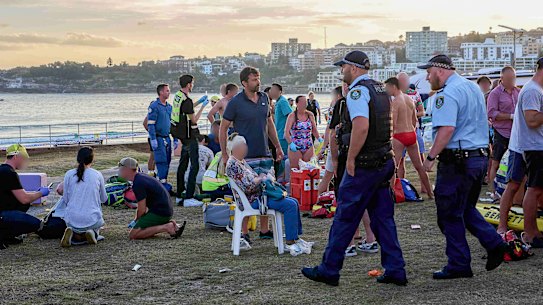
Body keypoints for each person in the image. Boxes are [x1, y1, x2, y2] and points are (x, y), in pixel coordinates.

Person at [302, 51, 407, 286]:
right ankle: (395, 269)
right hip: (382, 161)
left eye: (344, 67)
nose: (342, 72)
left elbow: (361, 127)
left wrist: (349, 159)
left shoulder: (358, 93)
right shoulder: (380, 90)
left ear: (354, 68)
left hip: (364, 165)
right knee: (383, 219)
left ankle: (329, 269)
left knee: (345, 218)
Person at [420, 55, 508, 279]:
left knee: (449, 212)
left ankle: (461, 261)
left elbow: (446, 129)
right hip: (477, 157)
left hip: (457, 159)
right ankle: (491, 244)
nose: (427, 77)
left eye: (429, 72)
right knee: (464, 208)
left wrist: (430, 157)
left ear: (440, 71)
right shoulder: (472, 87)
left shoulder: (446, 93)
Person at [219, 66, 284, 241]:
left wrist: (277, 146)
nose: (258, 82)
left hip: (265, 153)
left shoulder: (264, 98)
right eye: (254, 79)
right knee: (246, 193)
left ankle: (264, 230)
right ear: (244, 83)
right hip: (245, 156)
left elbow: (269, 123)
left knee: (267, 190)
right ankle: (244, 232)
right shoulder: (236, 102)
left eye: (259, 78)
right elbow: (223, 127)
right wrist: (225, 155)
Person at [225, 133, 313, 255]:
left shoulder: (240, 161)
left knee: (293, 201)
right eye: (243, 146)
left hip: (259, 196)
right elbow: (248, 187)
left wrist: (262, 177)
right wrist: (261, 179)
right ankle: (290, 241)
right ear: (236, 148)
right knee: (290, 205)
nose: (246, 148)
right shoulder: (233, 165)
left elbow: (251, 180)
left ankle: (296, 238)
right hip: (254, 200)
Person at [509, 57, 543, 247]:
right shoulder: (532, 91)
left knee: (538, 189)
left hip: (537, 145)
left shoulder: (536, 90)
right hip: (535, 147)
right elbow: (531, 119)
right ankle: (530, 233)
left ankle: (534, 230)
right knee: (534, 189)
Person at [385, 77, 434, 199]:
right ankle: (430, 193)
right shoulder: (409, 99)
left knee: (393, 167)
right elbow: (414, 120)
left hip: (399, 135)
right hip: (411, 134)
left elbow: (394, 123)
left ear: (393, 87)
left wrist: (389, 136)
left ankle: (389, 195)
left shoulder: (396, 102)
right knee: (419, 166)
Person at [118, 157, 185, 240]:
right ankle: (169, 224)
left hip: (160, 213)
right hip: (165, 210)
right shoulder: (141, 176)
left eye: (121, 169)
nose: (119, 172)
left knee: (133, 235)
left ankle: (167, 227)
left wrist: (136, 221)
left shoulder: (138, 183)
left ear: (126, 169)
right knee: (142, 230)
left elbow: (142, 209)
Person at [0, 144, 49, 249]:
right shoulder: (9, 173)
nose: (24, 162)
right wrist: (41, 193)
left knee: (24, 206)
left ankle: (8, 236)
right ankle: (4, 234)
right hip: (3, 215)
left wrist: (35, 193)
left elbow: (21, 197)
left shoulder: (3, 170)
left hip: (4, 211)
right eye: (24, 158)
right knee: (36, 225)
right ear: (16, 157)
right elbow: (24, 198)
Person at [171, 75, 209, 206]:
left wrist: (198, 102)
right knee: (194, 166)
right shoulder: (186, 100)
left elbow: (186, 108)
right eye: (192, 83)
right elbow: (194, 119)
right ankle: (189, 197)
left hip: (181, 135)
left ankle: (180, 193)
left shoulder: (177, 96)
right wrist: (203, 107)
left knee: (182, 165)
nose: (192, 85)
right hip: (190, 135)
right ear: (188, 84)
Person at [60, 147, 107, 247]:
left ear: (78, 159)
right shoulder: (97, 174)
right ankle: (93, 234)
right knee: (94, 222)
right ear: (92, 159)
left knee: (76, 225)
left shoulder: (68, 174)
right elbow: (104, 199)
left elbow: (65, 199)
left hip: (71, 218)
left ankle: (73, 235)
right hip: (92, 218)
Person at [487, 67, 519, 199]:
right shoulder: (495, 93)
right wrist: (511, 116)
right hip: (501, 132)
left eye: (513, 78)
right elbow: (491, 113)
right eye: (509, 79)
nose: (512, 81)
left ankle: (513, 192)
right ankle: (494, 192)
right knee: (496, 162)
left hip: (516, 132)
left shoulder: (518, 91)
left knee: (515, 162)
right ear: (502, 79)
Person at [397, 72, 427, 193]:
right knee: (400, 161)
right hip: (399, 132)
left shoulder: (414, 94)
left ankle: (425, 187)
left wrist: (411, 114)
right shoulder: (394, 95)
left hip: (414, 130)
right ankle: (400, 188)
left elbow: (422, 111)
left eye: (405, 81)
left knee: (420, 159)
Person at [147, 84, 177, 192]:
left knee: (168, 160)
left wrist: (176, 138)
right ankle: (162, 184)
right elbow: (150, 124)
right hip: (158, 138)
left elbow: (173, 123)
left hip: (167, 137)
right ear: (161, 92)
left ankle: (163, 182)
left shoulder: (169, 107)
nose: (169, 93)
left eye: (169, 91)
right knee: (161, 161)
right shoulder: (154, 106)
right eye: (167, 91)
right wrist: (153, 138)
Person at [285, 96, 322, 170]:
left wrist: (320, 139)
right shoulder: (292, 116)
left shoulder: (310, 115)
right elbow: (286, 132)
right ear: (297, 103)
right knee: (296, 170)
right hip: (296, 145)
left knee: (308, 169)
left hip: (308, 145)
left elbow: (314, 130)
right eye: (302, 102)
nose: (304, 104)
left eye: (305, 102)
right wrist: (290, 143)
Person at [318, 86, 342, 195]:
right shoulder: (339, 106)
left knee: (328, 175)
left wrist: (324, 146)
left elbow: (328, 127)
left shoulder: (333, 107)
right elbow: (331, 129)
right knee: (330, 175)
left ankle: (320, 200)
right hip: (337, 144)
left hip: (333, 144)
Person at [270, 83, 292, 154]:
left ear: (279, 92)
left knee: (283, 156)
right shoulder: (278, 102)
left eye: (273, 90)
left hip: (283, 135)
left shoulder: (283, 101)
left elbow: (290, 115)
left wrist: (287, 131)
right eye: (271, 90)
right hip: (278, 133)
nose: (271, 91)